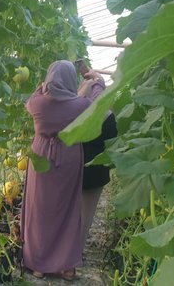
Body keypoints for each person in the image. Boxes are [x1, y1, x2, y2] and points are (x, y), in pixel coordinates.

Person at [21, 60, 105, 281]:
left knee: (39, 211)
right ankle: (66, 267)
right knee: (68, 211)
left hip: (40, 157)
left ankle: (38, 265)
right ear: (70, 80)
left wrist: (42, 87)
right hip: (68, 157)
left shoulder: (38, 104)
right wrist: (96, 83)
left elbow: (30, 99)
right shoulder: (79, 105)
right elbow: (99, 105)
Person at [79, 82, 117, 245]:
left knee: (69, 214)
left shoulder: (77, 114)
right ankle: (77, 251)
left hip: (74, 169)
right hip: (96, 172)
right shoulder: (109, 117)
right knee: (86, 214)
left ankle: (65, 252)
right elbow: (113, 142)